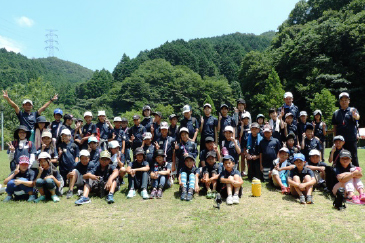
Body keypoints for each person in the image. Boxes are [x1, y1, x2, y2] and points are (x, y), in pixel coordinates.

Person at [332, 92, 360, 166]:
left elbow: (357, 117)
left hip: (351, 139)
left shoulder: (352, 110)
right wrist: (335, 138)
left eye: (346, 100)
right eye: (342, 100)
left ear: (349, 101)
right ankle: (340, 172)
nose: (344, 102)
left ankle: (356, 174)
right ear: (339, 102)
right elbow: (334, 127)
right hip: (340, 140)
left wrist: (355, 116)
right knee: (340, 156)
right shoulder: (336, 113)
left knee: (353, 156)